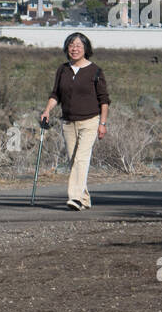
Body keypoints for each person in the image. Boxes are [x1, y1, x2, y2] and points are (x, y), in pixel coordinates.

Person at [39, 32, 109, 211]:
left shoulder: (95, 71)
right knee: (73, 160)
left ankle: (75, 198)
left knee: (81, 159)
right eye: (71, 45)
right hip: (68, 122)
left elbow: (104, 100)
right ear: (66, 48)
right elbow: (56, 94)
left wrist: (102, 123)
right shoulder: (63, 69)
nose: (74, 48)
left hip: (90, 121)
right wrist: (47, 110)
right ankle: (85, 199)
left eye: (78, 45)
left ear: (86, 49)